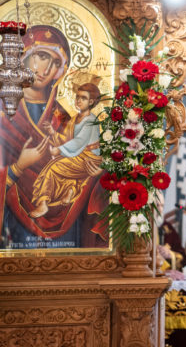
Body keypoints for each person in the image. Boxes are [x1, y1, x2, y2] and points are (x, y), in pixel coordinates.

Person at [0, 25, 106, 249]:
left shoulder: (64, 117)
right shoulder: (3, 112)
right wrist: (18, 167)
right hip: (12, 227)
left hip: (67, 225)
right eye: (41, 56)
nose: (46, 69)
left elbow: (83, 160)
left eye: (56, 62)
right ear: (24, 56)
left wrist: (95, 174)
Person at [30, 83, 102, 218]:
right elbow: (69, 140)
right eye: (77, 97)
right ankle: (71, 189)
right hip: (78, 155)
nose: (78, 100)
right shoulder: (75, 119)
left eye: (83, 98)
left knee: (53, 168)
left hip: (89, 159)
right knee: (61, 170)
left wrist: (59, 150)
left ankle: (43, 203)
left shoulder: (91, 120)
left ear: (91, 102)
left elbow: (79, 142)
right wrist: (53, 133)